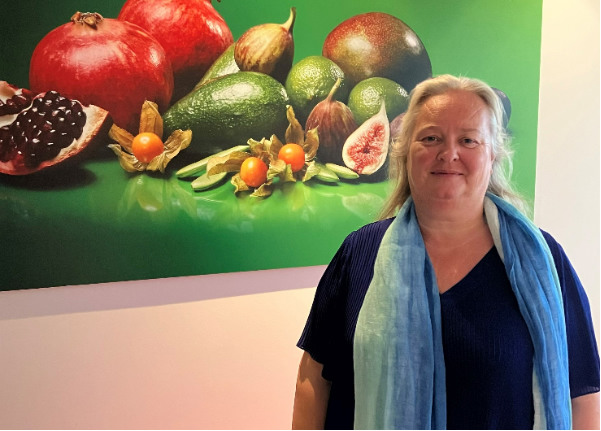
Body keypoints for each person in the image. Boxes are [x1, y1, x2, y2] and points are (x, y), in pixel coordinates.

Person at [292, 74, 600, 430]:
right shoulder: (359, 252)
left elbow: (582, 395)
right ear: (406, 152)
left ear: (492, 155)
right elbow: (313, 380)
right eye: (431, 138)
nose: (449, 153)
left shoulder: (545, 261)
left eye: (468, 140)